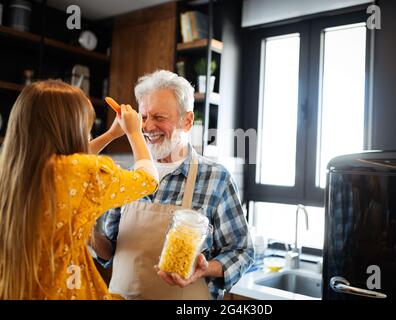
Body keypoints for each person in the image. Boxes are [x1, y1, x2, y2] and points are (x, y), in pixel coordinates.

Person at [92, 70, 254, 300]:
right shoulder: (129, 178)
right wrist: (87, 231)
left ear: (187, 121)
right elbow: (109, 251)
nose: (147, 127)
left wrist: (207, 268)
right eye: (144, 117)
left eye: (159, 117)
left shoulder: (216, 179)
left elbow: (242, 251)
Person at [0, 80, 158, 300]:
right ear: (70, 130)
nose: (89, 137)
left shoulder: (14, 169)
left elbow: (70, 162)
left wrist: (111, 135)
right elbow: (148, 180)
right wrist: (134, 132)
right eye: (87, 129)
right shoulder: (83, 172)